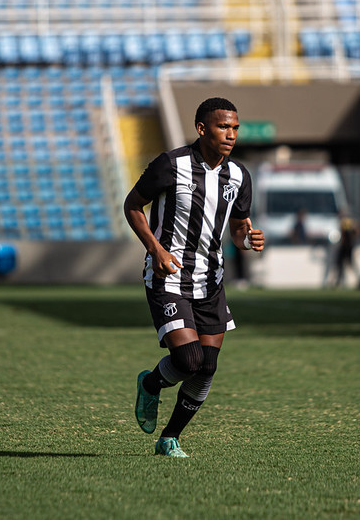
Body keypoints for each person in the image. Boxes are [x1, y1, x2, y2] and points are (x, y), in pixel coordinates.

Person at [123, 97, 265, 458]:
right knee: (188, 360)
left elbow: (237, 231)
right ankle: (151, 383)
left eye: (235, 127)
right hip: (168, 276)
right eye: (223, 127)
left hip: (211, 282)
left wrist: (248, 240)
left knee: (207, 367)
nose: (231, 134)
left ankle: (170, 438)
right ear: (202, 128)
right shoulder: (171, 165)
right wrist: (155, 249)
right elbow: (132, 205)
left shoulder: (239, 176)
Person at [334, 213, 360, 288]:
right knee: (345, 264)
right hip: (348, 247)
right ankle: (339, 281)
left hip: (345, 247)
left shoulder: (345, 223)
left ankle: (340, 281)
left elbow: (344, 235)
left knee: (343, 264)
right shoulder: (350, 223)